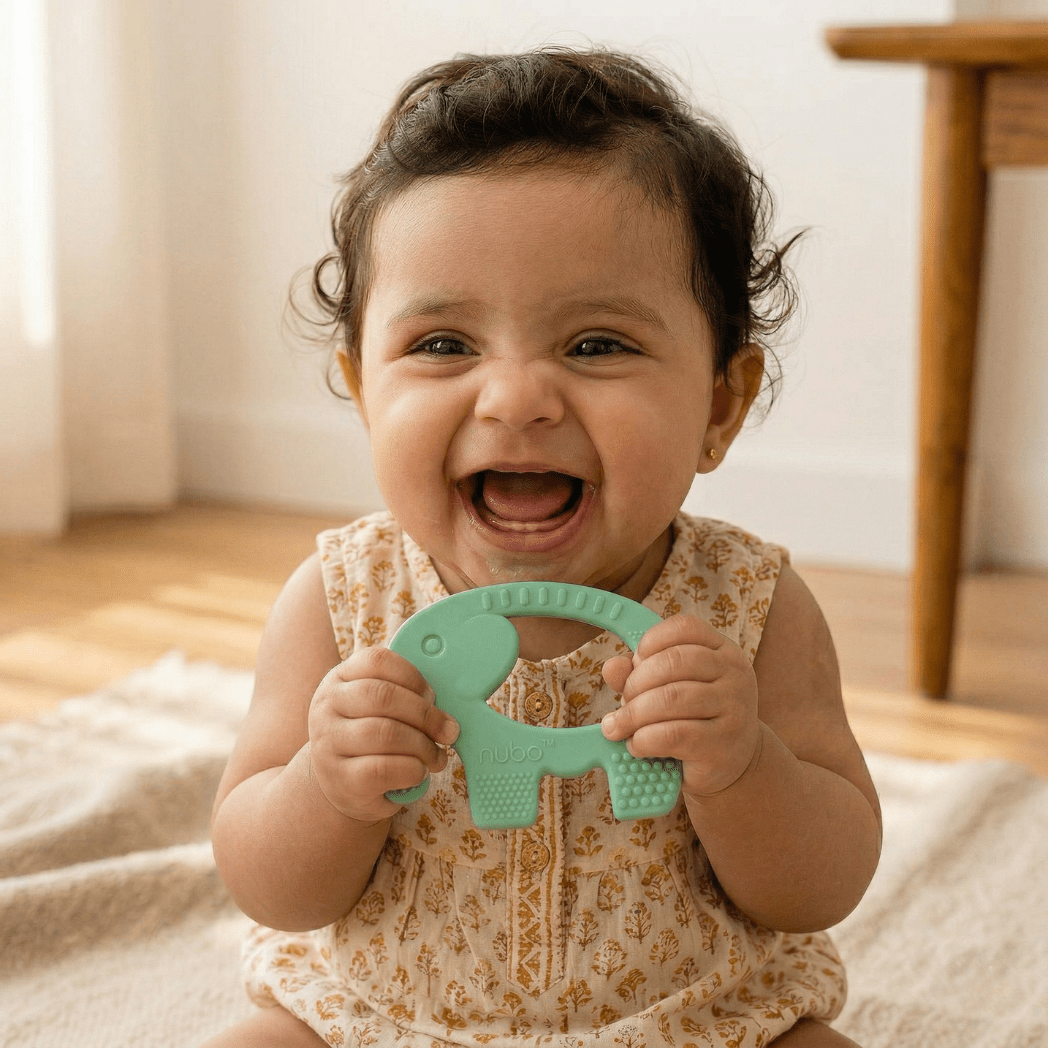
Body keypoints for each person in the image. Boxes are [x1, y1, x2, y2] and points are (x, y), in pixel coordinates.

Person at [204, 46, 881, 1048]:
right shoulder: (339, 601)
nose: (515, 398)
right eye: (442, 345)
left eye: (596, 344)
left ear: (717, 403)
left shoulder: (746, 605)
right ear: (362, 388)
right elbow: (269, 884)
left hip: (691, 1021)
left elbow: (818, 884)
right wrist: (323, 785)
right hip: (385, 1021)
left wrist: (744, 765)